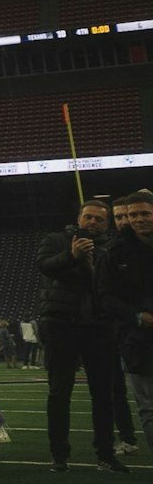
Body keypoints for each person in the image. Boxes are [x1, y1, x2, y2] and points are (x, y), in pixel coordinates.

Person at [35, 199, 125, 472]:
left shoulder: (113, 248)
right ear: (79, 218)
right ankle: (59, 455)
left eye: (99, 219)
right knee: (59, 392)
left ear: (107, 224)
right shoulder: (57, 240)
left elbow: (117, 285)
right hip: (61, 324)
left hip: (99, 326)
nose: (93, 223)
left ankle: (106, 454)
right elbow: (45, 265)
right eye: (89, 217)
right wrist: (71, 255)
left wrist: (96, 262)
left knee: (103, 393)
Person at [100, 190, 153, 445]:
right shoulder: (115, 251)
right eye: (133, 214)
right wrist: (136, 316)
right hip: (136, 338)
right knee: (148, 407)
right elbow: (105, 297)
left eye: (145, 213)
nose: (139, 219)